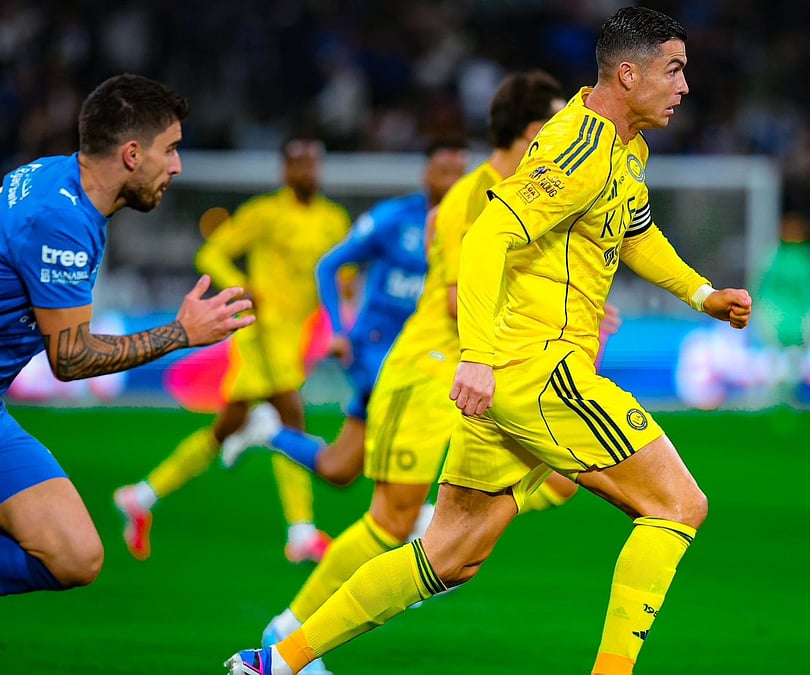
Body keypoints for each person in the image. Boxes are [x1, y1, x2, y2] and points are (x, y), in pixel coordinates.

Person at [226, 7, 753, 674]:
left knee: (447, 556)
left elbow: (636, 231)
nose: (685, 86)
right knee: (679, 505)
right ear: (628, 73)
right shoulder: (581, 149)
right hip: (537, 369)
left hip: (513, 380)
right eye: (674, 70)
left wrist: (702, 294)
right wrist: (476, 354)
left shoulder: (627, 148)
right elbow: (487, 237)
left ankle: (277, 660)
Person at [225, 69, 581, 675]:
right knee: (387, 519)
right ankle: (289, 637)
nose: (564, 136)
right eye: (554, 123)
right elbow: (454, 298)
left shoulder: (525, 191)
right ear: (530, 130)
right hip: (430, 371)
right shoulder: (474, 197)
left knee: (561, 480)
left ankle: (419, 543)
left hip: (484, 372)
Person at [0, 74, 252, 597]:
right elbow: (70, 359)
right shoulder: (64, 218)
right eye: (170, 150)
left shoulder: (52, 178)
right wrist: (180, 333)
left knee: (73, 555)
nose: (177, 166)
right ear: (131, 154)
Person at [114, 139, 351, 563]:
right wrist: (243, 289)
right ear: (285, 171)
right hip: (260, 334)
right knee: (291, 418)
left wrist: (343, 308)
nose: (306, 172)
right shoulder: (264, 214)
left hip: (295, 337)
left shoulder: (334, 220)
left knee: (227, 428)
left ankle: (142, 496)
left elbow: (341, 273)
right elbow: (212, 253)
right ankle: (301, 532)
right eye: (298, 164)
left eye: (313, 164)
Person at [221, 139, 470, 486]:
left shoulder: (468, 225)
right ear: (426, 174)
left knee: (339, 469)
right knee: (416, 417)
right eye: (444, 172)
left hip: (421, 346)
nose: (453, 182)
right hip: (378, 348)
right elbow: (329, 266)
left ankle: (270, 432)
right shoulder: (393, 219)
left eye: (460, 173)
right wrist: (338, 329)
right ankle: (413, 514)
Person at [752, 210, 810, 407]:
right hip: (775, 321)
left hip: (799, 323)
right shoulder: (772, 255)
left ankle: (792, 402)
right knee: (773, 367)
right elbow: (760, 289)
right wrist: (762, 317)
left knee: (795, 368)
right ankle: (771, 404)